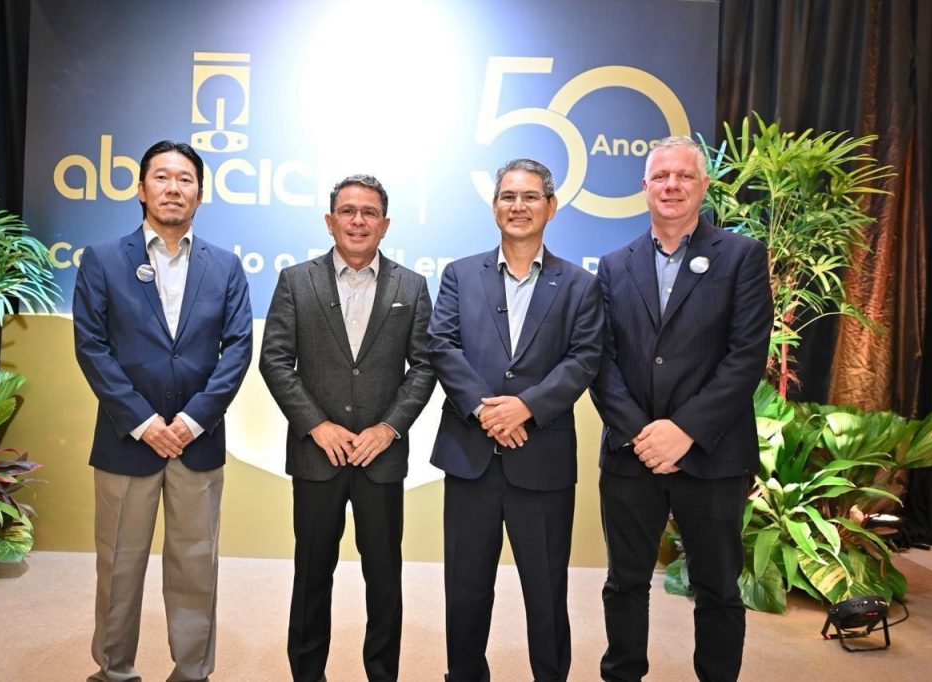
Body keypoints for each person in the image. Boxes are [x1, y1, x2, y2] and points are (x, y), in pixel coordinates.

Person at [589, 135, 772, 681]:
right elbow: (600, 361)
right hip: (631, 455)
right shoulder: (613, 265)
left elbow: (746, 357)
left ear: (703, 185)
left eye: (684, 176)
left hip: (712, 454)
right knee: (625, 583)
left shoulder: (741, 256)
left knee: (717, 587)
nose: (672, 185)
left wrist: (684, 431)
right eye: (661, 176)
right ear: (644, 186)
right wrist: (644, 434)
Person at [73, 139, 253, 682]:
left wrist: (192, 421)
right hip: (126, 441)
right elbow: (92, 347)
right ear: (141, 189)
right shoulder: (103, 259)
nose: (173, 188)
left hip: (198, 442)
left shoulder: (225, 266)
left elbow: (237, 349)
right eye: (162, 177)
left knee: (196, 564)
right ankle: (114, 670)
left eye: (185, 179)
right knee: (118, 565)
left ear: (200, 193)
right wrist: (144, 422)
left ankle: (192, 671)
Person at [428, 158, 604, 681]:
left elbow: (584, 358)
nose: (518, 206)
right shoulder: (460, 274)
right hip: (471, 456)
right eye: (508, 196)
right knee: (465, 589)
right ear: (494, 206)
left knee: (546, 592)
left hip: (542, 459)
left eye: (530, 197)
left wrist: (525, 406)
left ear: (551, 206)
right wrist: (486, 409)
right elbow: (442, 345)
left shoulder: (580, 284)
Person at [259, 174, 436, 682]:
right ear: (330, 220)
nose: (358, 221)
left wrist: (388, 429)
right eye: (348, 211)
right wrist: (317, 425)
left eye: (369, 212)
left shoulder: (411, 286)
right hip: (318, 456)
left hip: (381, 458)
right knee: (312, 577)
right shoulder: (296, 280)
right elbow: (275, 360)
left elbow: (425, 366)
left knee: (384, 580)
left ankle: (382, 674)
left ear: (385, 223)